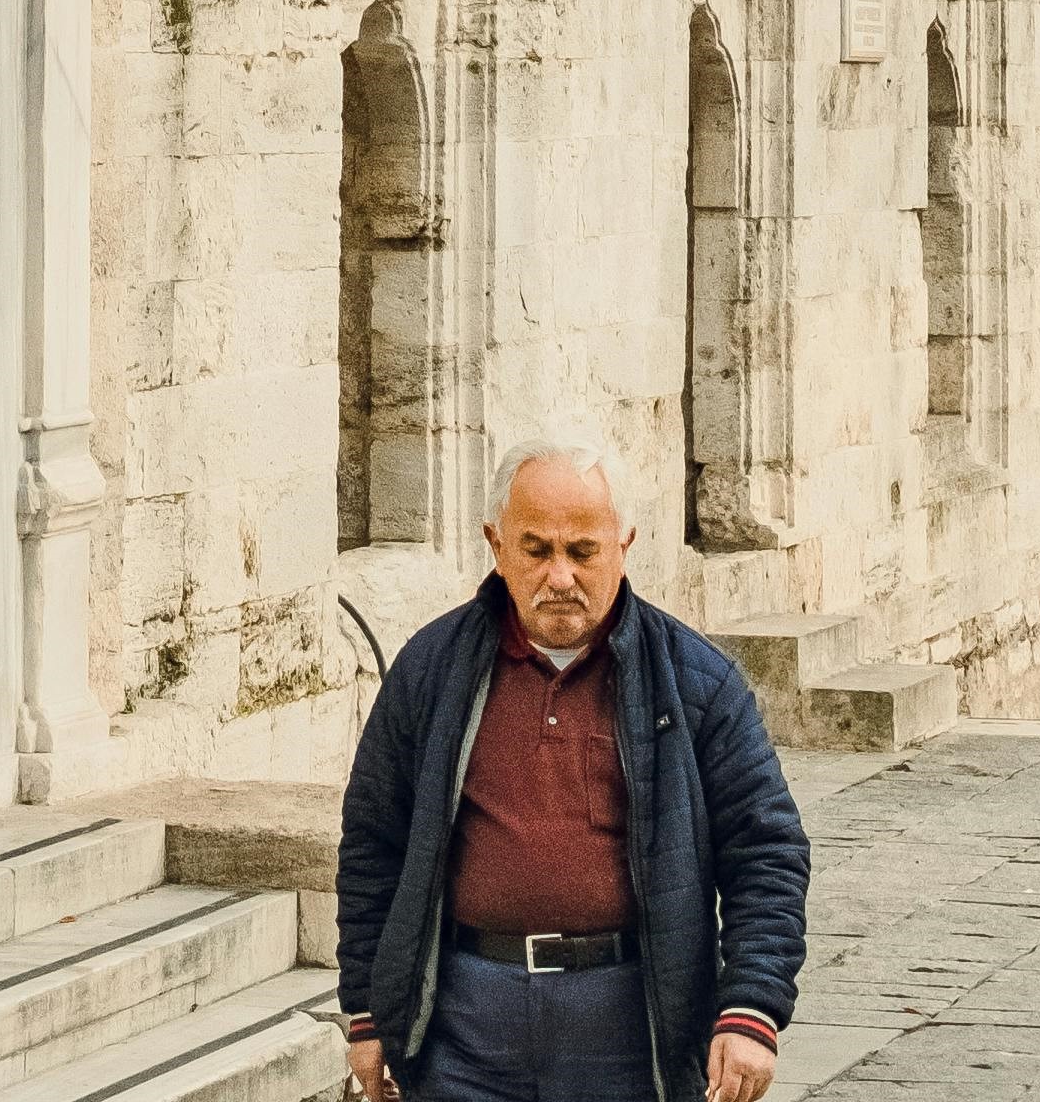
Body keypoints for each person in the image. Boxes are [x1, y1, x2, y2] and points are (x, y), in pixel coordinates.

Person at [337, 440, 808, 1102]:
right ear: (496, 546)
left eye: (583, 551)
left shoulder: (697, 682)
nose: (560, 576)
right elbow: (372, 847)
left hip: (629, 1026)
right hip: (465, 1025)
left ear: (624, 544)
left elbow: (766, 850)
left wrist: (752, 1007)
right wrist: (368, 1010)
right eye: (536, 550)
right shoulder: (432, 670)